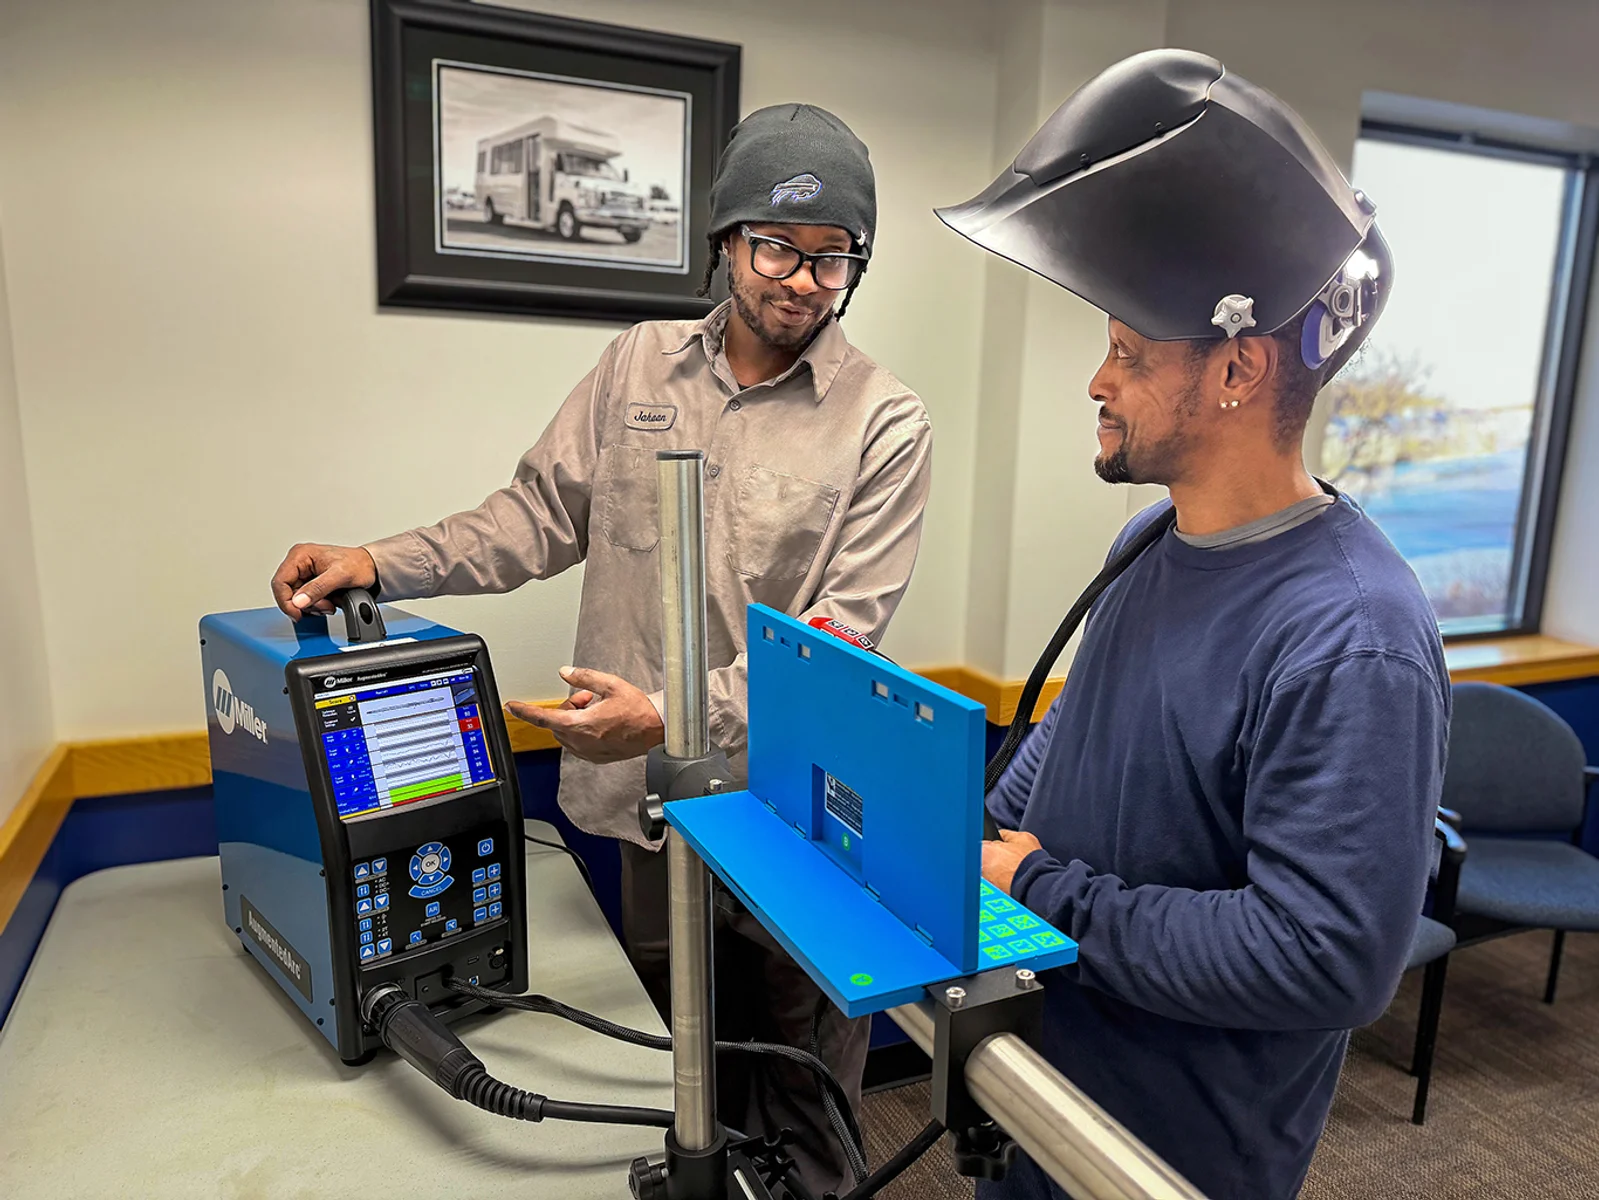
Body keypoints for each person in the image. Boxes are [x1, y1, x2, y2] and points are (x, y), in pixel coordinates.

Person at [270, 103, 932, 1195]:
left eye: (832, 258)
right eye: (775, 246)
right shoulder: (636, 369)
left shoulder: (886, 422)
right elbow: (530, 517)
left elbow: (839, 646)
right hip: (648, 812)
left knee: (805, 1089)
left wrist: (670, 716)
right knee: (679, 1069)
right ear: (725, 242)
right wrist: (382, 561)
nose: (801, 280)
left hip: (791, 816)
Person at [937, 50, 1449, 1200]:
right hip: (1034, 1089)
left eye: (1127, 352)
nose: (1096, 381)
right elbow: (1062, 764)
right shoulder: (1148, 544)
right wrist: (970, 843)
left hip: (1162, 1160)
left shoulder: (1352, 634)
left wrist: (1040, 892)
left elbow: (1326, 958)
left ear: (1236, 371)